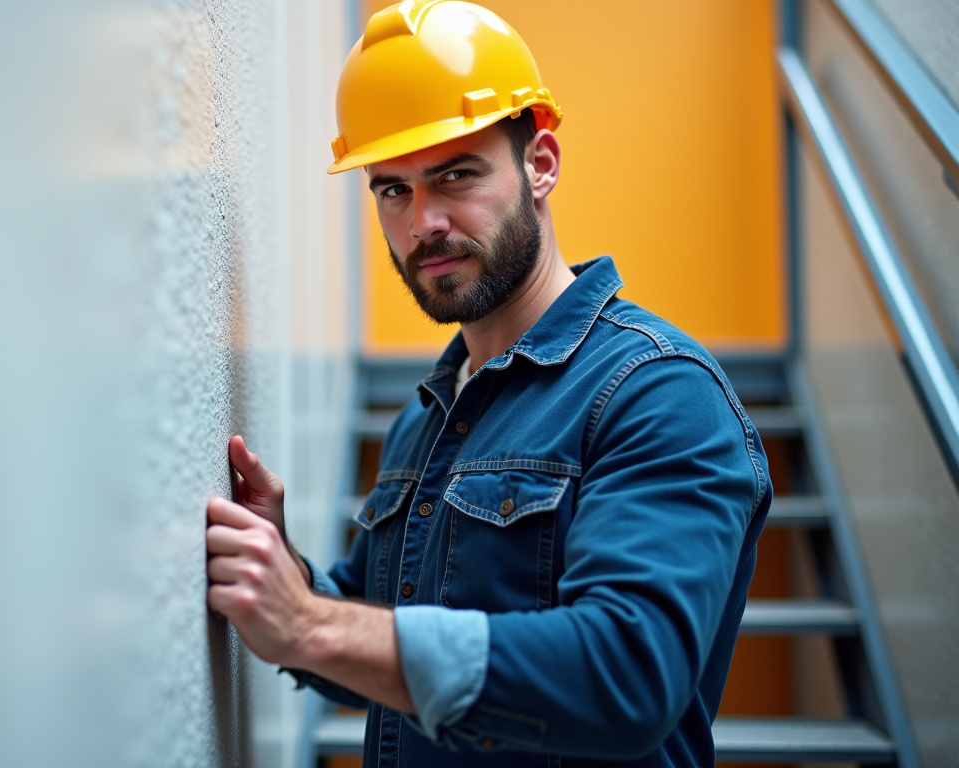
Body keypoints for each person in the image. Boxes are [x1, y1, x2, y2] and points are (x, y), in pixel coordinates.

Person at [205, 1, 771, 766]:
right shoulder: (427, 420)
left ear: (541, 164)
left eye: (455, 175)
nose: (423, 222)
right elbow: (377, 636)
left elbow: (626, 675)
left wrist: (308, 624)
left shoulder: (657, 391)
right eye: (392, 189)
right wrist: (287, 576)